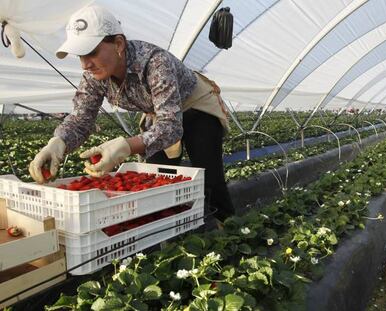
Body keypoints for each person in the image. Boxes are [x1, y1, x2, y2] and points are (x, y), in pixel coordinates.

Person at [28, 5, 234, 221]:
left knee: (209, 177)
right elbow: (81, 119)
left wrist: (126, 146)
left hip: (195, 107)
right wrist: (57, 143)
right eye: (80, 55)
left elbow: (171, 126)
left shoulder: (155, 62)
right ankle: (172, 230)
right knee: (153, 177)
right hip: (159, 114)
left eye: (91, 52)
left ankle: (227, 230)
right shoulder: (93, 76)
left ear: (118, 44)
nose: (85, 64)